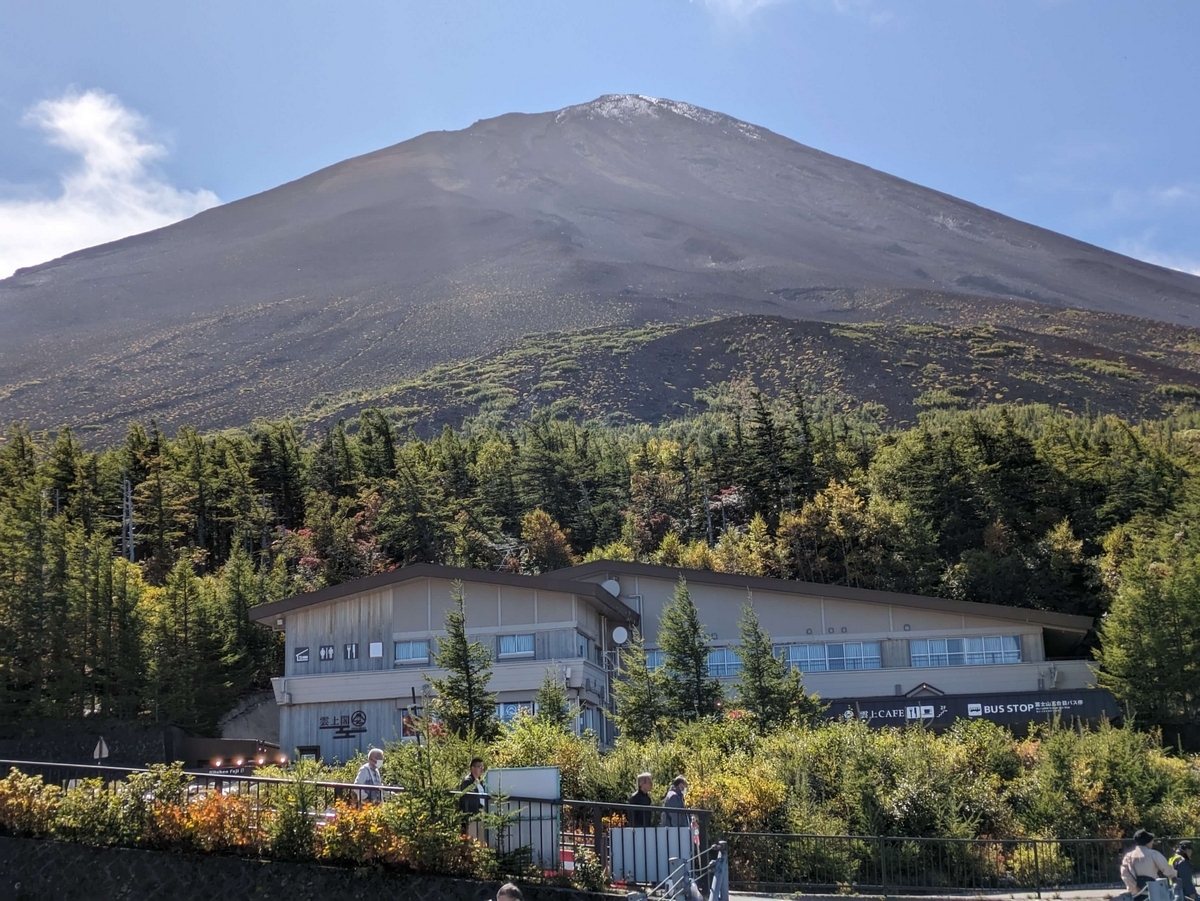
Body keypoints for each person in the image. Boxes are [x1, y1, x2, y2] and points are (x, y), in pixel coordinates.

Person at [1122, 829, 1176, 898]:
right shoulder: (1153, 854)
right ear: (1147, 842)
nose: (1152, 843)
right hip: (1152, 891)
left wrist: (1134, 886)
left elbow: (1125, 875)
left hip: (1134, 893)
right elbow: (1166, 868)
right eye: (1151, 841)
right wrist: (1173, 876)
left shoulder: (1128, 856)